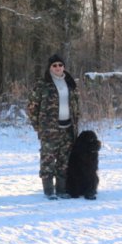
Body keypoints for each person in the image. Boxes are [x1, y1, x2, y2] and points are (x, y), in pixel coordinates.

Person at [27, 54, 81, 200]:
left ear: (64, 66)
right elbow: (32, 107)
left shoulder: (70, 83)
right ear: (50, 67)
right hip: (49, 129)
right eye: (54, 65)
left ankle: (62, 190)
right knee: (48, 160)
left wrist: (76, 120)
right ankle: (49, 191)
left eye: (60, 65)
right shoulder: (42, 84)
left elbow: (76, 105)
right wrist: (38, 126)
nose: (58, 68)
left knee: (64, 160)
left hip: (68, 128)